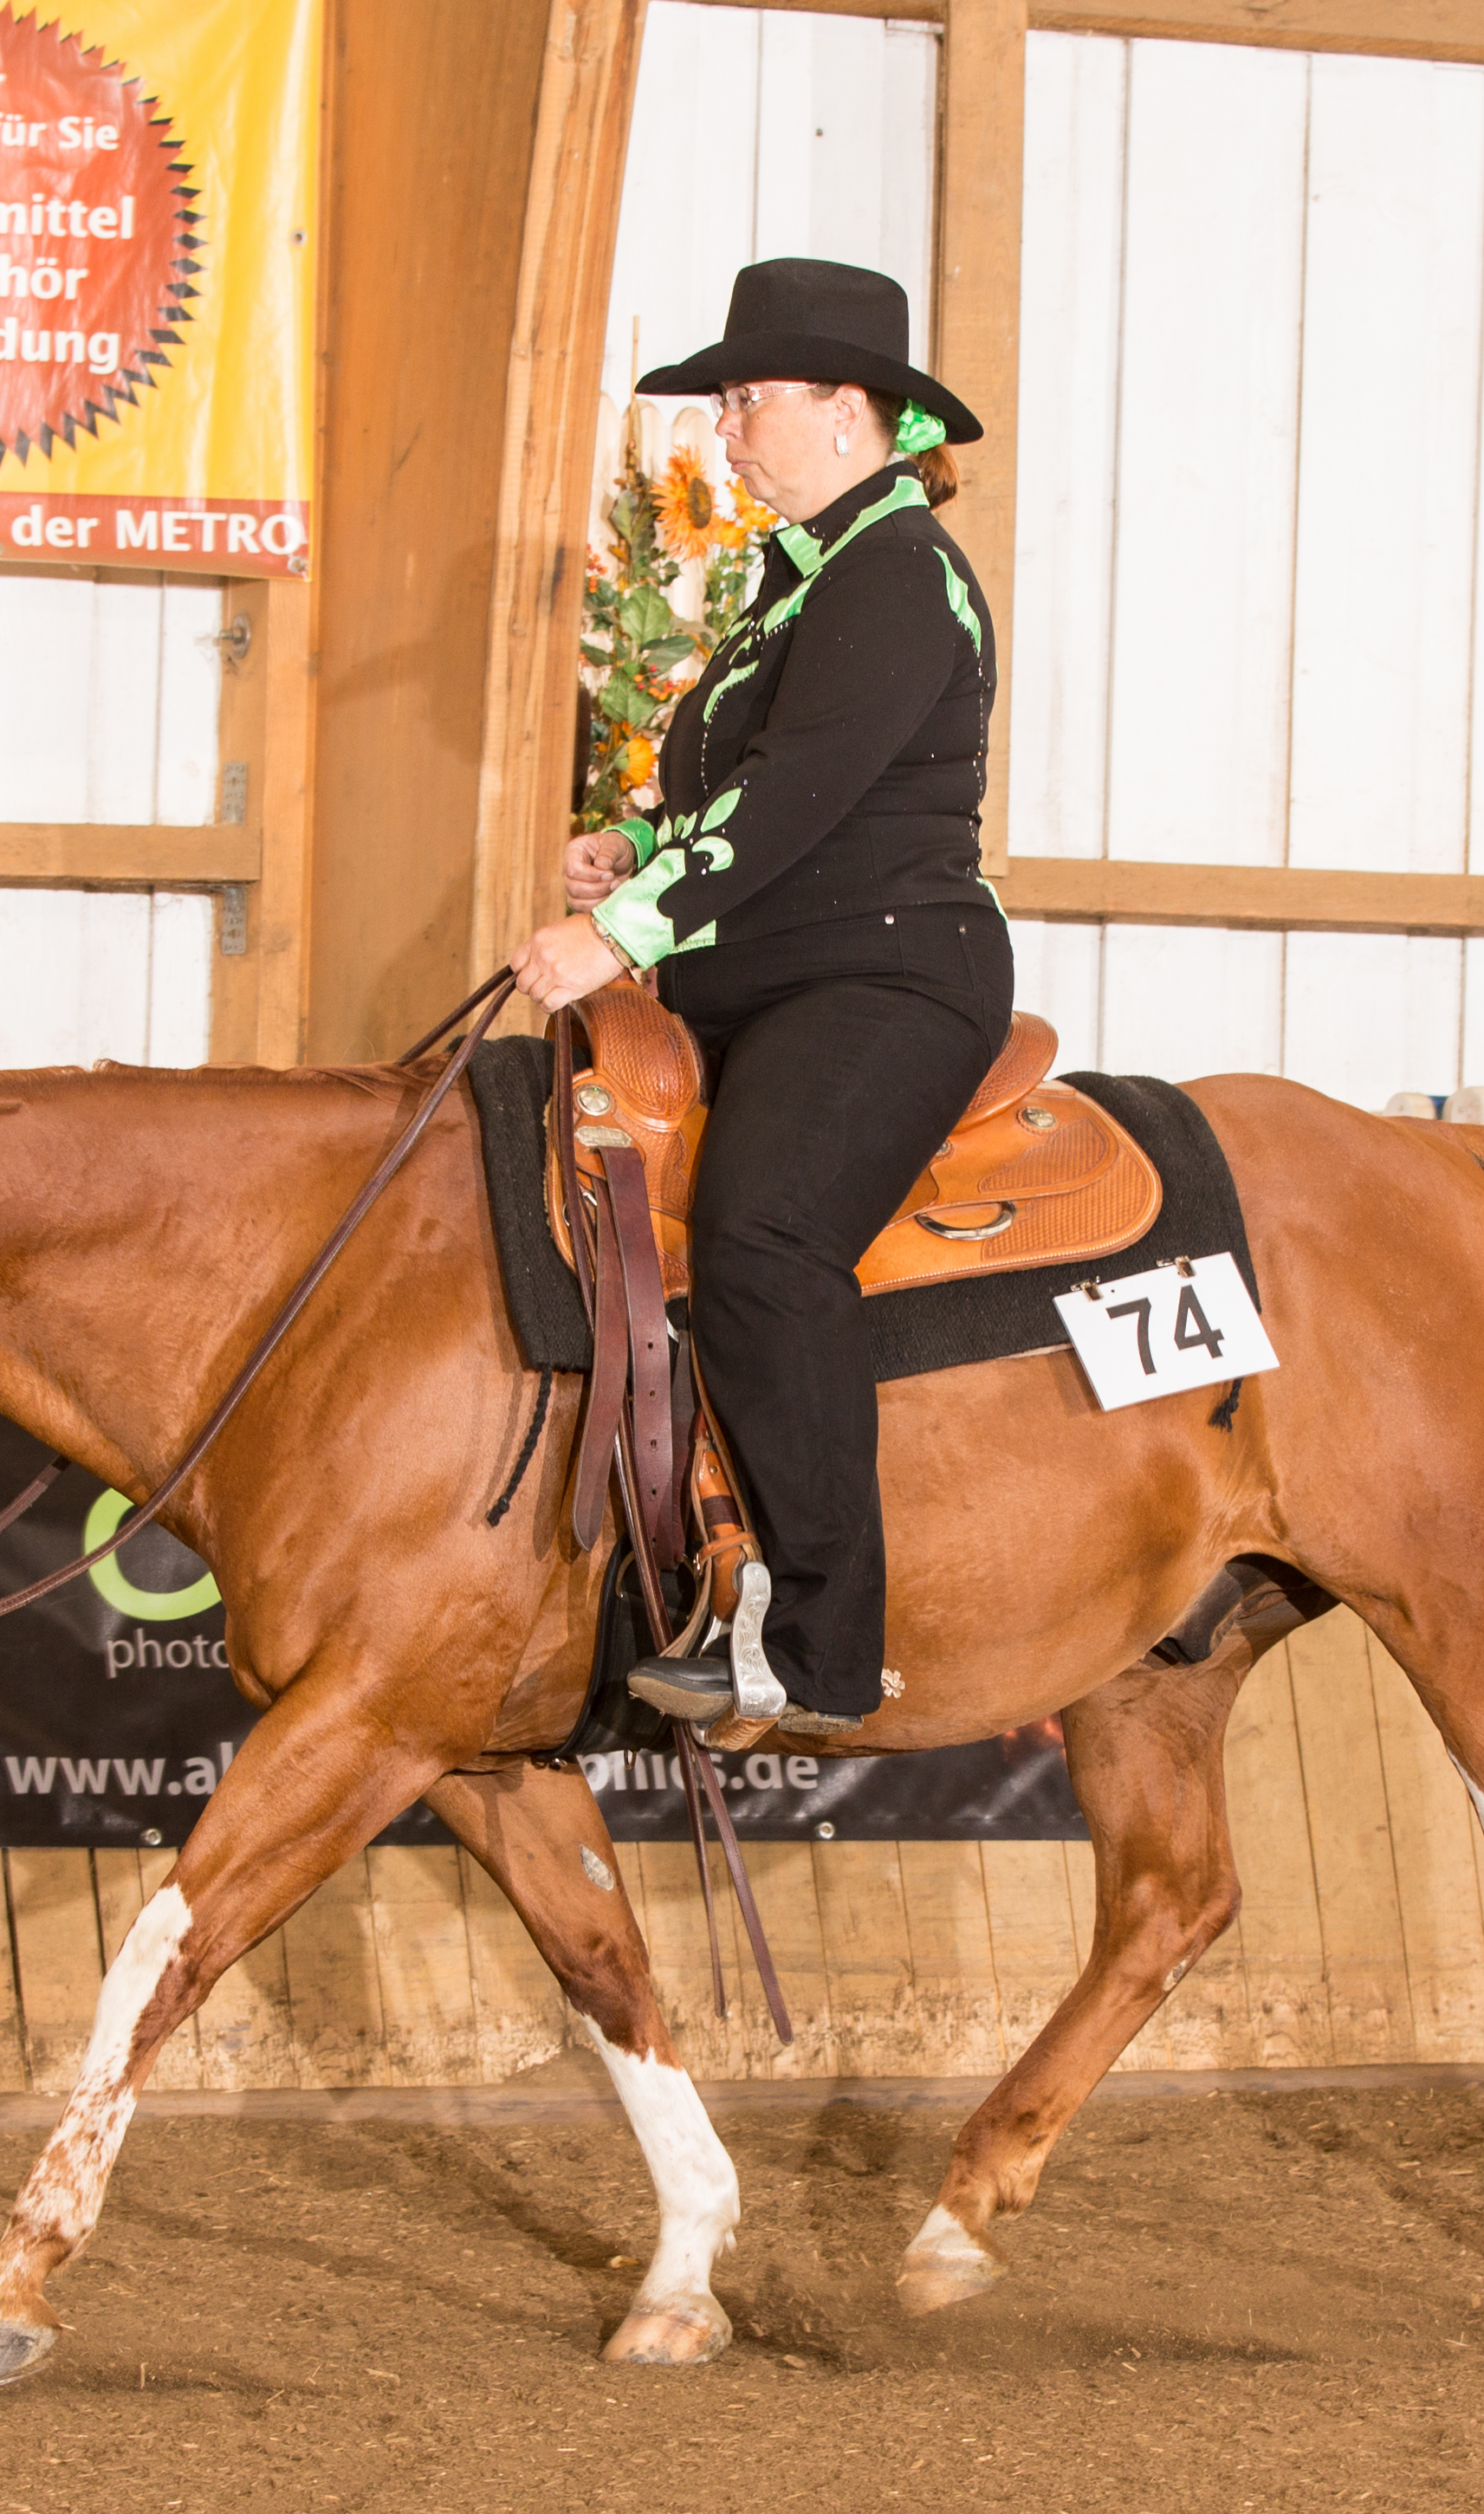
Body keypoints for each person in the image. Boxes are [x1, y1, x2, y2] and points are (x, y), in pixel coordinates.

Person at [509, 256, 1008, 1739]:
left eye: (746, 401)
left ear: (849, 412)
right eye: (722, 404)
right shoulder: (802, 581)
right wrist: (641, 846)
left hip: (882, 978)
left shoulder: (899, 573)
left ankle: (825, 1645)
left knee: (765, 1235)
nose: (721, 431)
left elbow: (799, 796)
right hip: (770, 975)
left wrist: (619, 935)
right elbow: (746, 786)